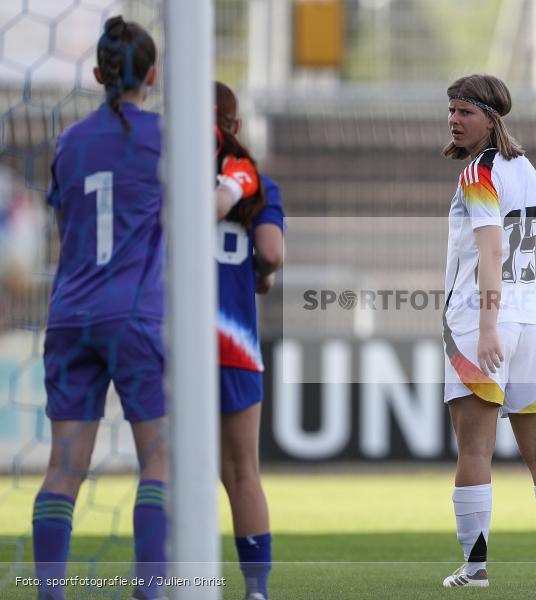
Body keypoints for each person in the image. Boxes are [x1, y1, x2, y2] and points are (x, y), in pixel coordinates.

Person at [441, 74, 536, 588]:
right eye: (452, 110)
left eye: (465, 111)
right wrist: (531, 309)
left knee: (474, 450)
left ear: (491, 117)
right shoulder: (524, 167)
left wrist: (489, 326)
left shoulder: (478, 174)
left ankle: (476, 567)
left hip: (479, 322)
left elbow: (491, 251)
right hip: (531, 322)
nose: (454, 119)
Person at [35, 16, 167, 600]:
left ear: (97, 75)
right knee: (159, 463)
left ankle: (48, 593)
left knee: (64, 468)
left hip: (70, 316)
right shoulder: (168, 137)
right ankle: (150, 590)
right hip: (135, 315)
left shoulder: (69, 141)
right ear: (155, 76)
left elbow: (64, 222)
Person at [213, 81, 285, 600]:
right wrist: (260, 271)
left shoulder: (162, 176)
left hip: (172, 344)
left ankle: (164, 582)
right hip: (235, 345)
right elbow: (272, 253)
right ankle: (256, 590)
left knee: (165, 469)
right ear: (235, 127)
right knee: (243, 472)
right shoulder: (257, 183)